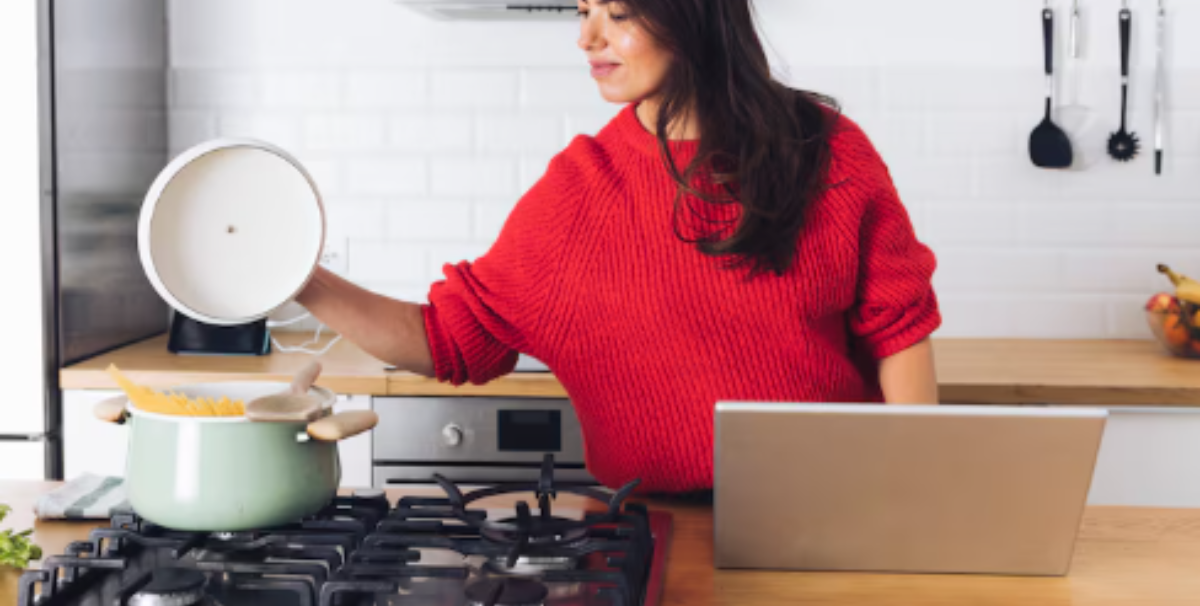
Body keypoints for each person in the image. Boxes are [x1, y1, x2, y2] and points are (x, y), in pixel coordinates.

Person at [297, 0, 941, 495]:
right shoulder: (579, 190)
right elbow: (447, 338)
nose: (587, 37)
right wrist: (301, 277)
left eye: (619, 11)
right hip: (652, 523)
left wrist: (910, 493)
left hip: (827, 506)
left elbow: (898, 328)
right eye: (583, 11)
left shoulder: (822, 146)